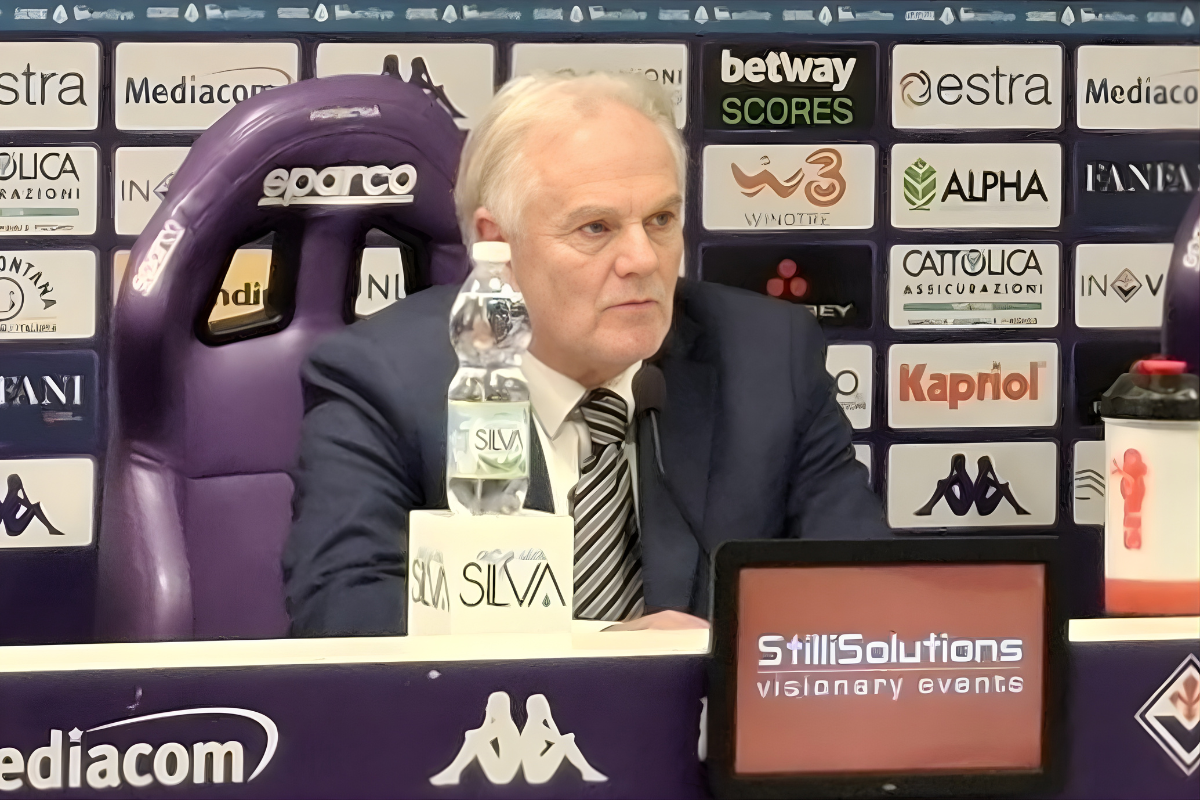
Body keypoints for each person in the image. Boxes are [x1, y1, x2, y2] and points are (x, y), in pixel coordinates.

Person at [283, 70, 888, 637]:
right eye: (595, 228)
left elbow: (868, 596)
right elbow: (343, 614)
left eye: (661, 219)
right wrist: (603, 654)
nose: (643, 260)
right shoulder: (383, 379)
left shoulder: (767, 357)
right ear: (499, 244)